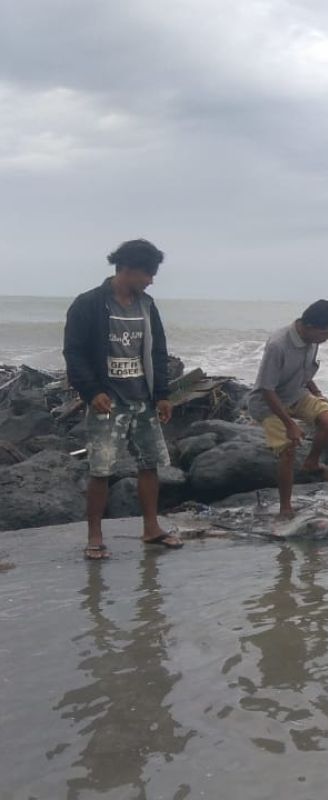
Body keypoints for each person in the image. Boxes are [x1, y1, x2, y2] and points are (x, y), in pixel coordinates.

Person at [64, 239, 183, 560]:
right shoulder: (88, 304)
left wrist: (162, 394)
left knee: (150, 464)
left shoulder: (147, 305)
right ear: (128, 269)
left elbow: (158, 350)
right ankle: (95, 536)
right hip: (107, 400)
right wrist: (91, 392)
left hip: (143, 399)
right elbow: (73, 353)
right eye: (148, 273)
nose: (151, 280)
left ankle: (151, 528)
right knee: (101, 468)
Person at [248, 300, 328, 517]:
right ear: (309, 326)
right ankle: (285, 508)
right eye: (326, 332)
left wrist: (317, 393)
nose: (327, 337)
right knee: (288, 449)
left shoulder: (312, 341)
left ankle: (311, 462)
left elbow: (304, 372)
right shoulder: (278, 345)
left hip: (296, 394)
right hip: (268, 402)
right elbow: (266, 388)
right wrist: (289, 424)